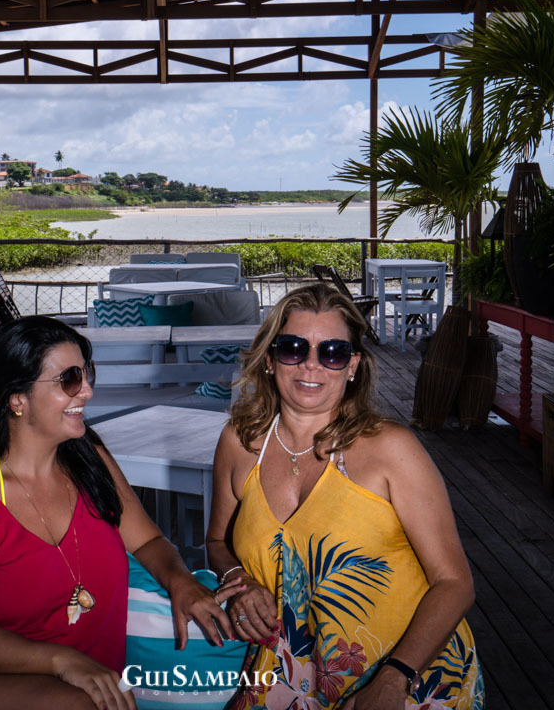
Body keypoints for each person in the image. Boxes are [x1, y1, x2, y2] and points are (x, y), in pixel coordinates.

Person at [0, 316, 245, 710]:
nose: (86, 391)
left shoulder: (91, 463)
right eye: (69, 379)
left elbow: (148, 540)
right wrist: (63, 661)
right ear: (17, 398)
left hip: (88, 687)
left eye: (87, 374)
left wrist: (180, 581)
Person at [206, 284, 483, 710]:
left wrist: (394, 679)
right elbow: (217, 543)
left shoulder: (391, 449)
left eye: (332, 352)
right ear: (268, 359)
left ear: (352, 365)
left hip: (411, 674)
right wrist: (238, 583)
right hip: (288, 674)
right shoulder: (239, 443)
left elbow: (455, 583)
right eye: (293, 347)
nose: (311, 365)